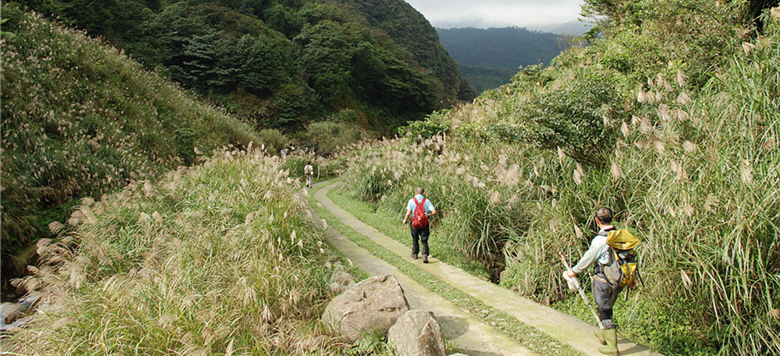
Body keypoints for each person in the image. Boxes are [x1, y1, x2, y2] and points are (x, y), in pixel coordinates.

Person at [565, 207, 626, 356]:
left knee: (604, 310)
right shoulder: (620, 235)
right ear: (612, 218)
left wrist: (573, 271)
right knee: (606, 306)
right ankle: (603, 332)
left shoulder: (600, 240)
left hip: (603, 280)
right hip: (619, 280)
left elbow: (588, 258)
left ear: (597, 221)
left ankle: (612, 347)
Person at [402, 187, 436, 263]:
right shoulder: (427, 201)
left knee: (415, 238)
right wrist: (427, 215)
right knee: (424, 240)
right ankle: (425, 255)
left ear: (415, 192)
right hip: (424, 223)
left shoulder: (411, 201)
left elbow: (408, 213)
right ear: (423, 193)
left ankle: (415, 254)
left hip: (414, 223)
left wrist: (405, 220)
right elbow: (434, 212)